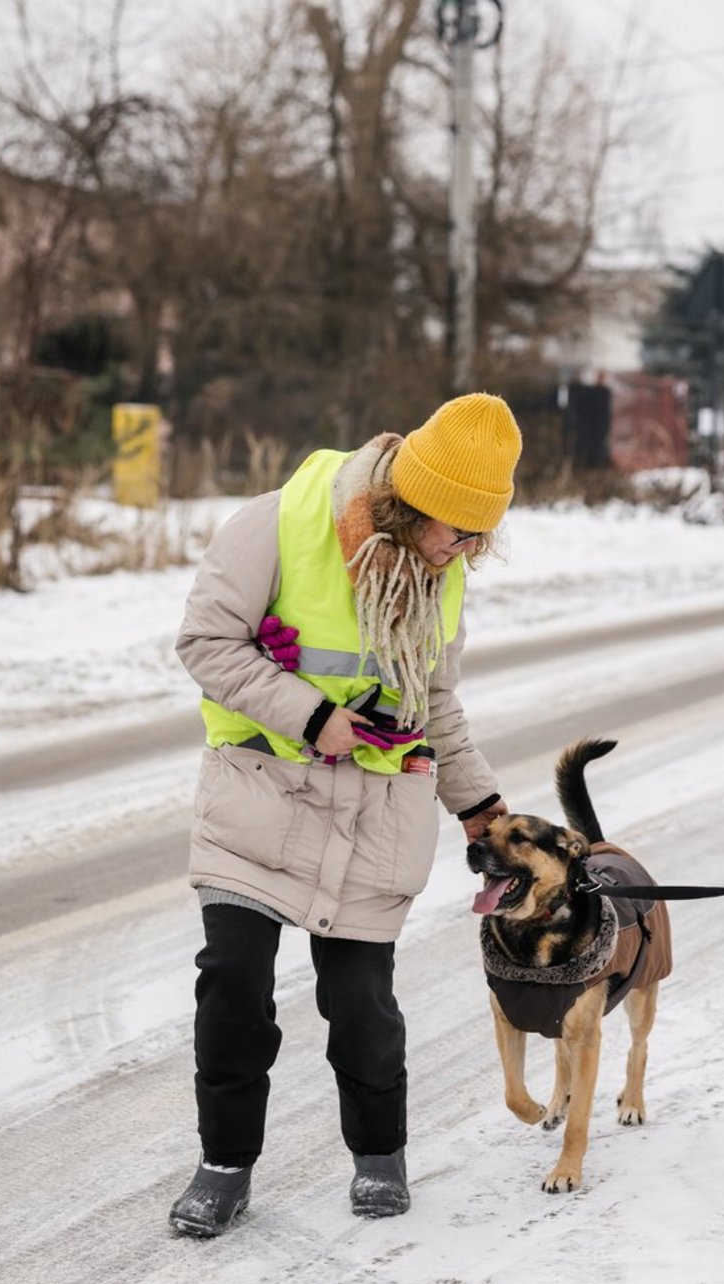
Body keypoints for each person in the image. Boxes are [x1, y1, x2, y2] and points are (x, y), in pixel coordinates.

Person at [169, 392, 522, 1235]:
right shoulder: (277, 525)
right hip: (261, 798)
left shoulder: (442, 575)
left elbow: (436, 704)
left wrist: (482, 808)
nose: (469, 552)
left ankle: (378, 1155)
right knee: (232, 982)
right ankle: (224, 1162)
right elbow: (204, 643)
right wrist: (311, 714)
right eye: (460, 532)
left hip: (373, 817)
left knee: (361, 1003)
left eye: (482, 536)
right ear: (413, 503)